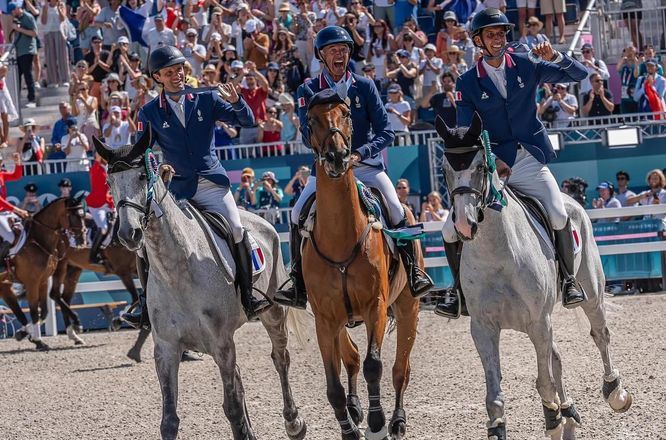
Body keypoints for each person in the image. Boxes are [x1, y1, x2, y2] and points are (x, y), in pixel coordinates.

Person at [434, 8, 589, 318]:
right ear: (478, 41)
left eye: (502, 33)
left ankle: (569, 280)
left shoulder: (526, 65)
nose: (498, 39)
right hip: (493, 166)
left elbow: (580, 75)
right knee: (451, 229)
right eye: (491, 34)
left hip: (529, 158)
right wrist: (492, 160)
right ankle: (456, 291)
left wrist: (556, 57)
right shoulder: (467, 83)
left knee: (559, 213)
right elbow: (466, 131)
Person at [273, 26, 433, 309]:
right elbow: (306, 136)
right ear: (321, 56)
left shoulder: (365, 86)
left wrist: (360, 154)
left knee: (396, 210)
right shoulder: (308, 90)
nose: (340, 54)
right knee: (297, 213)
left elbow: (386, 131)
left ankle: (413, 273)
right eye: (333, 50)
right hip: (327, 170)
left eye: (344, 50)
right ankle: (297, 282)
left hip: (365, 167)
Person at [123, 45, 270, 327]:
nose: (176, 75)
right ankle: (144, 305)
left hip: (211, 184)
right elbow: (143, 153)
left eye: (179, 69)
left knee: (236, 229)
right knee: (145, 244)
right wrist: (156, 170)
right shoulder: (149, 112)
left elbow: (248, 121)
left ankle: (249, 295)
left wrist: (237, 101)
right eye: (169, 72)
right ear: (158, 77)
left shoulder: (207, 98)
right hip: (176, 189)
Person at [8, 2, 38, 108]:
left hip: (27, 50)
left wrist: (19, 29)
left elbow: (34, 33)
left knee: (27, 74)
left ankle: (32, 99)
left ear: (16, 9)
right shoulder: (17, 19)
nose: (12, 14)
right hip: (19, 51)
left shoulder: (28, 17)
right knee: (17, 76)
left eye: (12, 11)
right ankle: (16, 99)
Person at [0, 153, 27, 268]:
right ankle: (2, 265)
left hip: (5, 213)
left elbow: (17, 176)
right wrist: (18, 210)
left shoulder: (1, 174)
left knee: (23, 231)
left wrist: (18, 162)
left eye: (0, 162)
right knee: (10, 238)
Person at [86, 154, 114, 264]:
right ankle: (93, 255)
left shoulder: (108, 169)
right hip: (96, 205)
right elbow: (97, 158)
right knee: (103, 228)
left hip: (107, 203)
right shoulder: (96, 168)